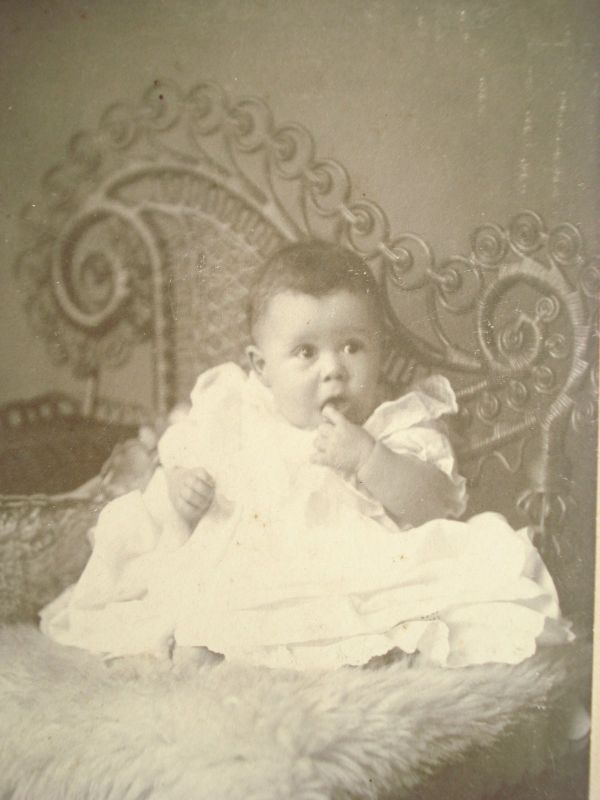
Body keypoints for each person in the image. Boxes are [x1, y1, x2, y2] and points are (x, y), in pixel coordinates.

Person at [40, 241, 573, 671]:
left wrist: (368, 457)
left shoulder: (394, 425)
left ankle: (309, 657)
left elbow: (437, 505)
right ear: (261, 365)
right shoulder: (238, 410)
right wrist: (182, 491)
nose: (333, 370)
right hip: (244, 566)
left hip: (345, 570)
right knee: (196, 612)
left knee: (375, 615)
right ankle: (201, 660)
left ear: (379, 352)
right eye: (305, 352)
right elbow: (178, 470)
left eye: (352, 347)